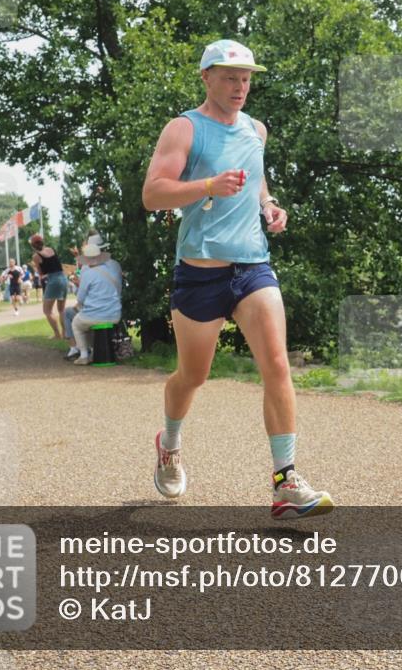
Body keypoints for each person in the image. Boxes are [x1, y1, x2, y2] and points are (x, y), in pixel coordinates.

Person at [141, 39, 332, 519]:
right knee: (193, 377)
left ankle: (285, 482)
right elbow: (153, 194)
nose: (240, 86)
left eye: (246, 78)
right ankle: (170, 442)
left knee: (277, 366)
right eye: (230, 77)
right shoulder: (184, 128)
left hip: (252, 267)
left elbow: (256, 178)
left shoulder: (256, 130)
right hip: (200, 274)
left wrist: (268, 206)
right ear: (206, 77)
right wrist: (206, 186)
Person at [62, 241, 122, 365]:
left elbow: (80, 299)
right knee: (86, 322)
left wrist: (79, 286)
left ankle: (84, 355)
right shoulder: (112, 269)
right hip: (115, 314)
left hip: (95, 315)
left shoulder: (88, 273)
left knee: (77, 324)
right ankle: (95, 350)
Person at [29, 233, 67, 338]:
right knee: (61, 309)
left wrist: (36, 269)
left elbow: (41, 274)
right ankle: (66, 333)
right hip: (63, 278)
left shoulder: (36, 256)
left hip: (53, 280)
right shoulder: (51, 249)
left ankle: (57, 334)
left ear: (33, 245)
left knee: (47, 310)